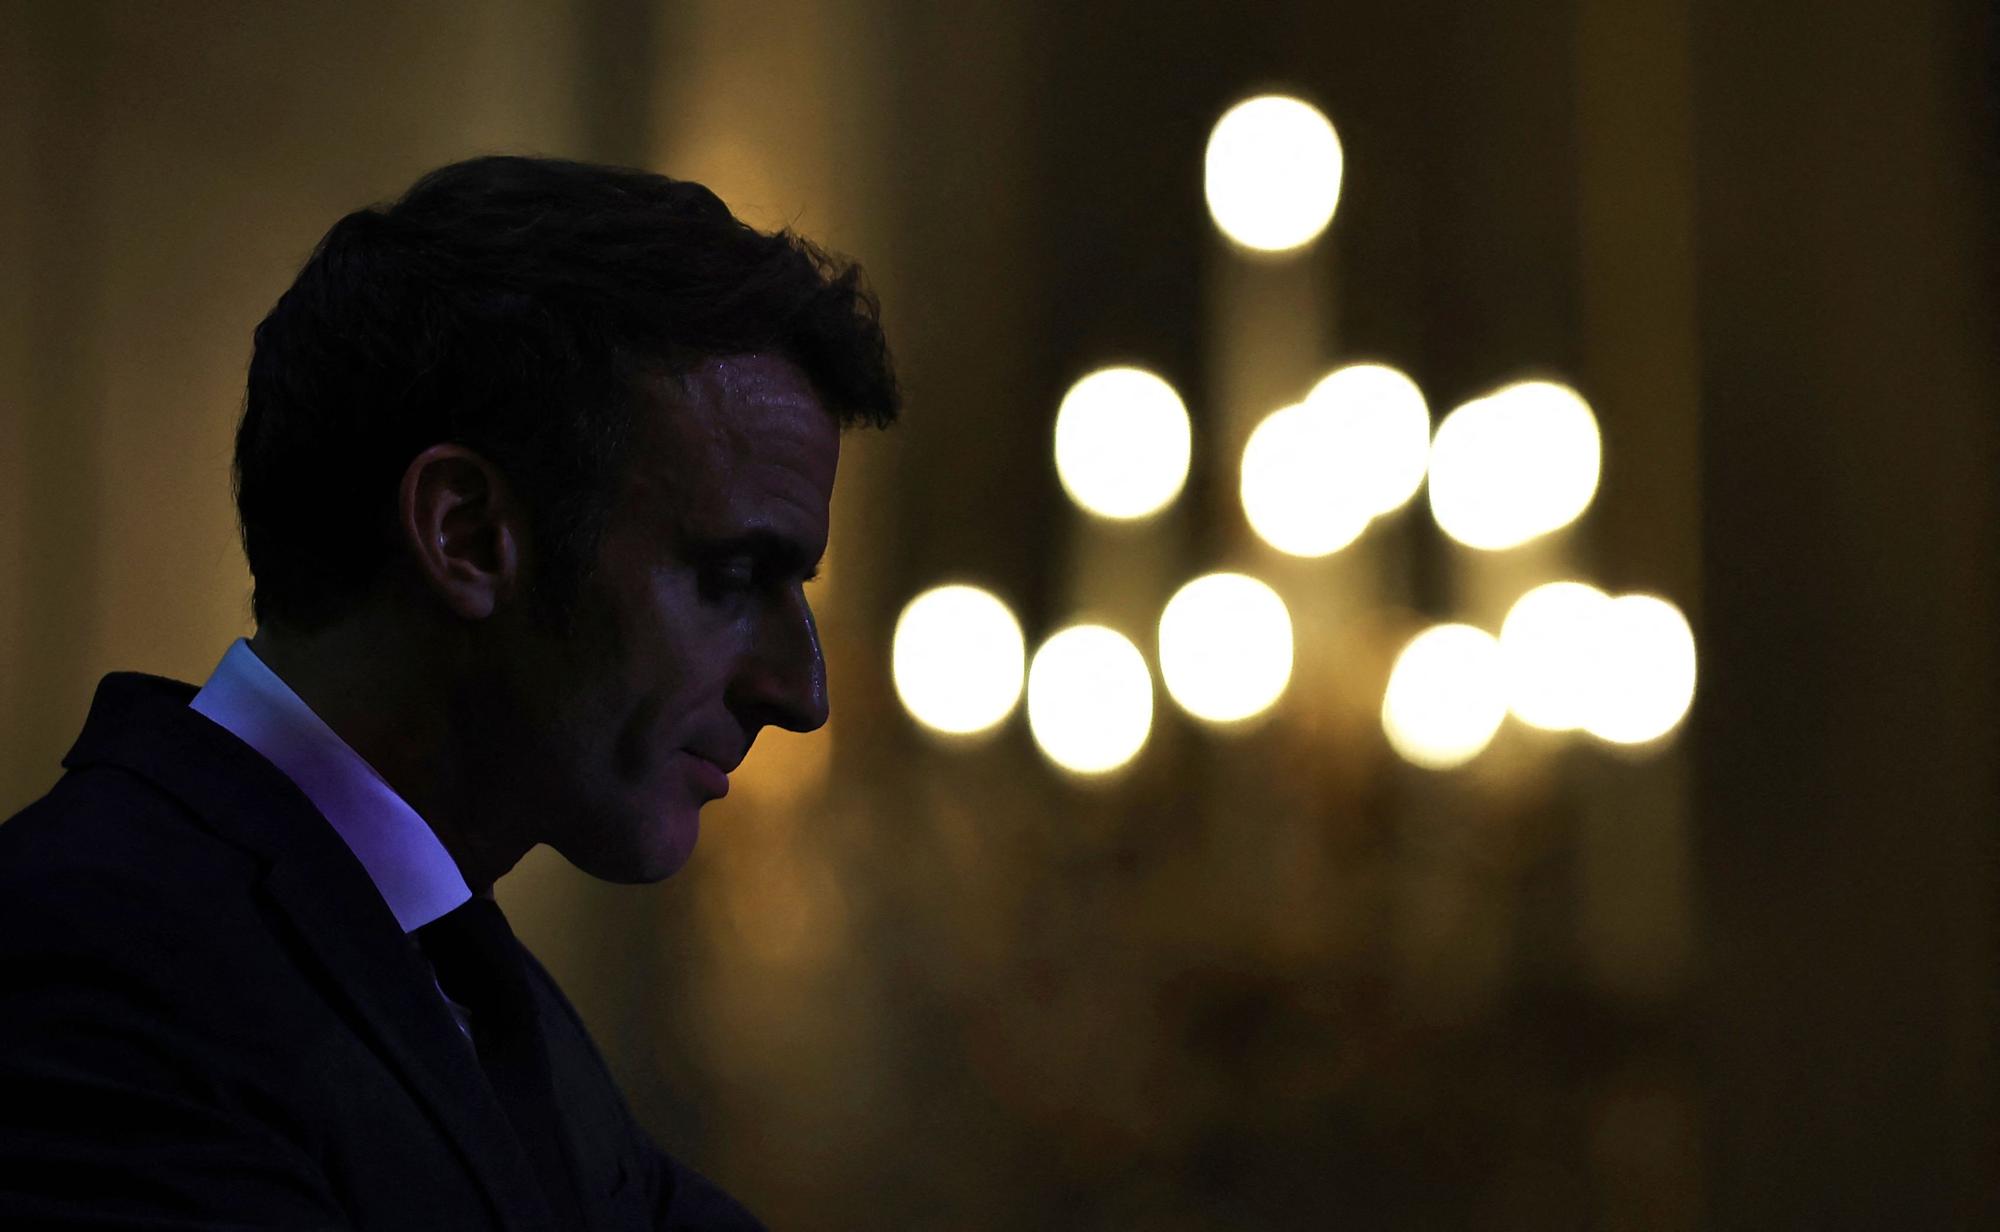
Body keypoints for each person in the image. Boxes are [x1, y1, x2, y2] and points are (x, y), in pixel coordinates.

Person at [0, 155, 900, 1230]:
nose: (800, 693)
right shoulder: (92, 962)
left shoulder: (472, 984)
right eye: (733, 575)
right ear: (465, 534)